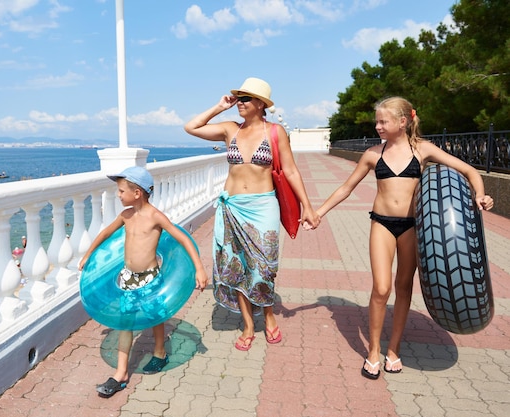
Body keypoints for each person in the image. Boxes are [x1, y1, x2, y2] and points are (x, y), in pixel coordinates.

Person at [314, 96, 494, 379]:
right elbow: (346, 188)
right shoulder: (373, 154)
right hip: (381, 225)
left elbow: (470, 171)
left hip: (411, 226)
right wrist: (319, 212)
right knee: (381, 288)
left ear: (402, 121)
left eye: (383, 121)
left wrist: (480, 194)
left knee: (403, 287)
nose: (378, 126)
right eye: (377, 121)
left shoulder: (423, 150)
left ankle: (393, 349)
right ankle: (373, 350)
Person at [184, 77, 319, 350]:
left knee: (265, 268)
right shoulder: (230, 130)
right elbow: (191, 127)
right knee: (238, 268)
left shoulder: (275, 131)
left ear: (260, 104)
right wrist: (219, 107)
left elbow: (290, 170)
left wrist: (308, 206)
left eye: (245, 99)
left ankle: (269, 316)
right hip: (232, 206)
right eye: (239, 98)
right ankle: (247, 324)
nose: (240, 103)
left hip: (263, 207)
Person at [78, 166, 208, 398]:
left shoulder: (155, 216)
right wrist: (89, 254)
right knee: (125, 322)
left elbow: (182, 239)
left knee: (155, 316)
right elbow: (106, 233)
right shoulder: (126, 216)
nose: (118, 195)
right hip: (128, 277)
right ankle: (121, 373)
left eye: (121, 191)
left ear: (137, 193)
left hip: (150, 278)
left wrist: (199, 268)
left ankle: (160, 352)